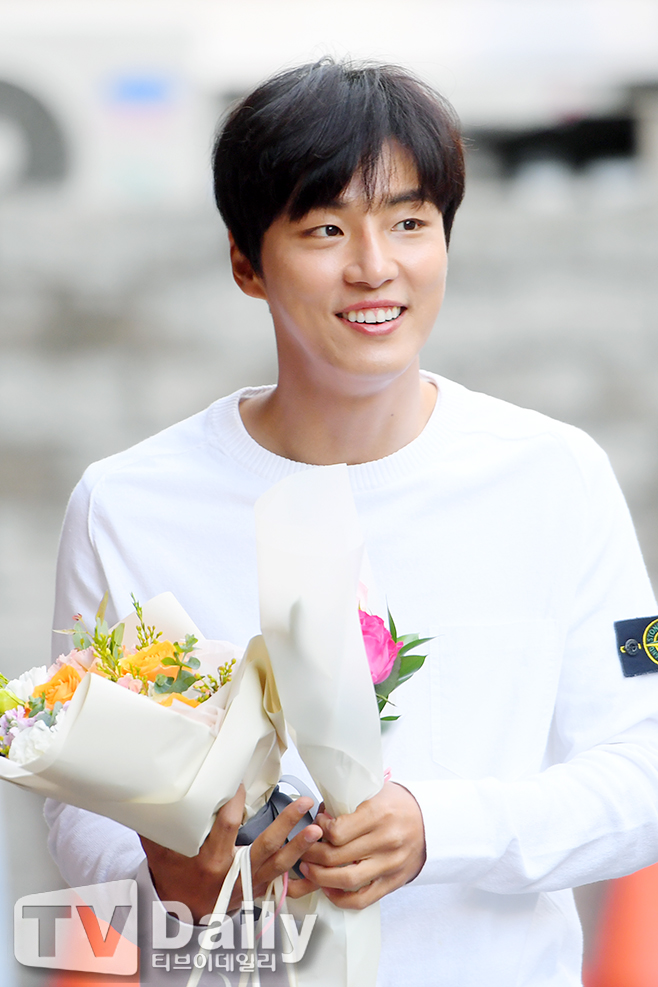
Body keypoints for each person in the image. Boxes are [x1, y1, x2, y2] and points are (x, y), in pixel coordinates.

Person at [45, 58, 658, 985]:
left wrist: (439, 828)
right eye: (326, 228)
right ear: (246, 261)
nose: (375, 266)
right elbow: (79, 796)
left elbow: (642, 764)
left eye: (409, 222)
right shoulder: (128, 505)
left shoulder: (555, 476)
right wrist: (168, 880)